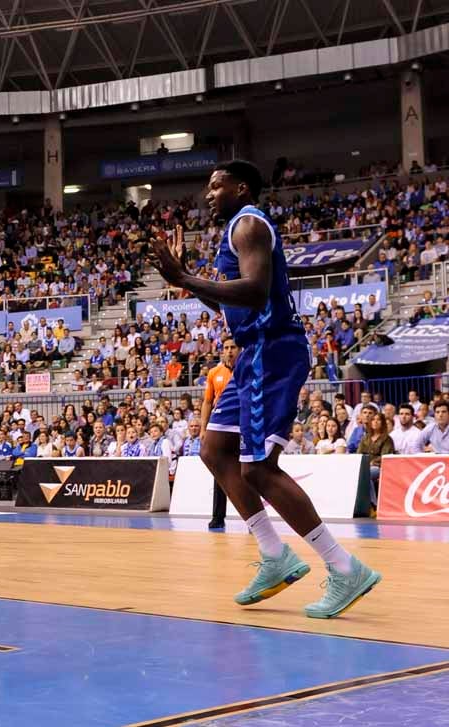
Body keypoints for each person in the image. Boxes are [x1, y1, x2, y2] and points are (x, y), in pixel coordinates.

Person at [150, 160, 380, 619]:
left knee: (258, 469)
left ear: (240, 188)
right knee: (214, 450)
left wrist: (183, 278)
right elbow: (224, 299)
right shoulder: (236, 230)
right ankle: (274, 556)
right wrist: (185, 281)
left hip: (273, 351)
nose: (208, 194)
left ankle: (344, 566)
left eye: (216, 186)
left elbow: (255, 291)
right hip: (253, 352)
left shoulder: (250, 224)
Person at [199, 337, 238, 530]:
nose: (229, 351)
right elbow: (207, 402)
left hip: (241, 425)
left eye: (233, 347)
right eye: (226, 348)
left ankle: (253, 519)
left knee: (249, 472)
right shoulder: (214, 373)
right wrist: (203, 428)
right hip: (219, 426)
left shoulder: (246, 370)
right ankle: (218, 516)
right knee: (219, 473)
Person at [357, 413, 395, 504]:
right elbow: (359, 453)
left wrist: (372, 462)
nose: (375, 422)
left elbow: (385, 456)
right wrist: (365, 463)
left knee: (366, 474)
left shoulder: (387, 439)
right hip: (365, 465)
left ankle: (373, 504)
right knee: (362, 473)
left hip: (379, 467)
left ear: (382, 423)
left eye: (378, 420)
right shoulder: (365, 438)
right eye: (373, 419)